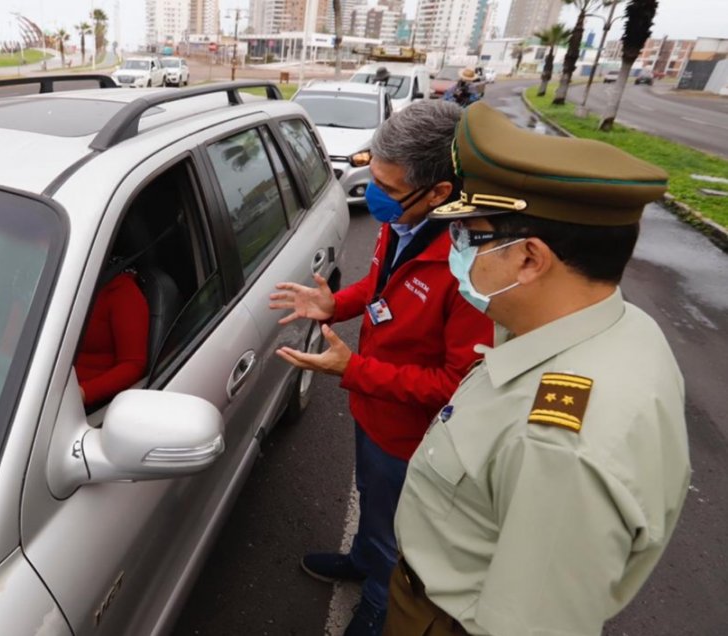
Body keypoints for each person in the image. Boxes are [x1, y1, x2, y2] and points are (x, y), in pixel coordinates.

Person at [383, 102, 689, 635]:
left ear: (528, 258)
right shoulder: (611, 325)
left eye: (468, 236)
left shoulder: (558, 445)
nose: (455, 249)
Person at [269, 101, 493, 636]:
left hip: (415, 436)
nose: (375, 196)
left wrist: (354, 369)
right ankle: (364, 561)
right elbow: (380, 287)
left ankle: (378, 603)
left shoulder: (474, 270)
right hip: (375, 411)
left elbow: (454, 386)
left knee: (402, 530)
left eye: (388, 190)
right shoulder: (405, 220)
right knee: (373, 499)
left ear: (440, 192)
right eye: (375, 178)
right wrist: (335, 305)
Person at [75, 270, 149, 408]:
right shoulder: (61, 284)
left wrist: (83, 393)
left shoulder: (123, 292)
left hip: (88, 404)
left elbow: (133, 364)